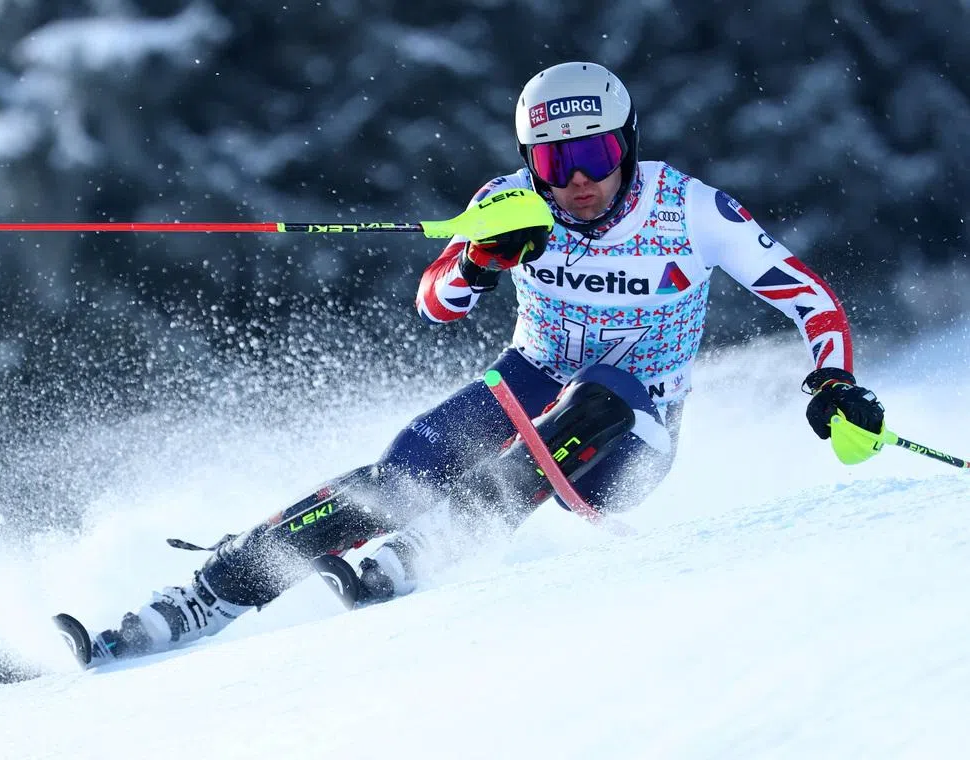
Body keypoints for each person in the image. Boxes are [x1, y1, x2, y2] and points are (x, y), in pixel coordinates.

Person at [60, 61, 886, 665]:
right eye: (556, 165)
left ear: (627, 146)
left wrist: (832, 380)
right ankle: (213, 590)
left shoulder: (689, 208)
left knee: (597, 396)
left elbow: (806, 294)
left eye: (595, 157)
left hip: (635, 427)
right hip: (528, 376)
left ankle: (439, 540)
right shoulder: (513, 203)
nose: (579, 184)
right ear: (532, 162)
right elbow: (436, 304)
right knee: (399, 474)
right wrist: (480, 260)